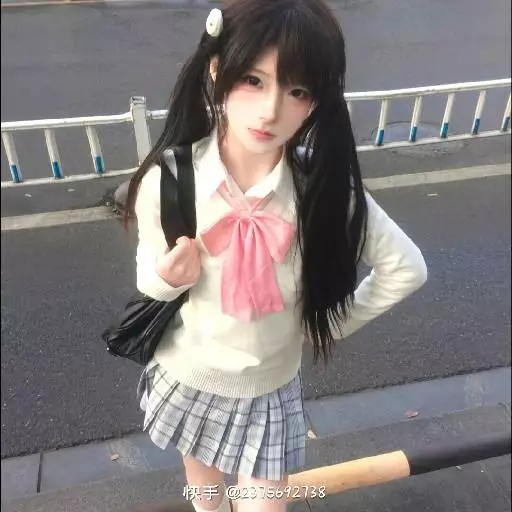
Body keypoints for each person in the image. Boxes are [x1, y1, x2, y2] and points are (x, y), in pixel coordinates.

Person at [123, 1, 428, 510]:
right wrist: (167, 277)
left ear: (316, 101)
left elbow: (405, 267)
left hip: (268, 392)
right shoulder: (172, 179)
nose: (270, 111)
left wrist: (327, 322)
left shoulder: (321, 188)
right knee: (206, 496)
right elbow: (146, 276)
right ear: (217, 70)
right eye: (253, 80)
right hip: (189, 374)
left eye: (297, 90)